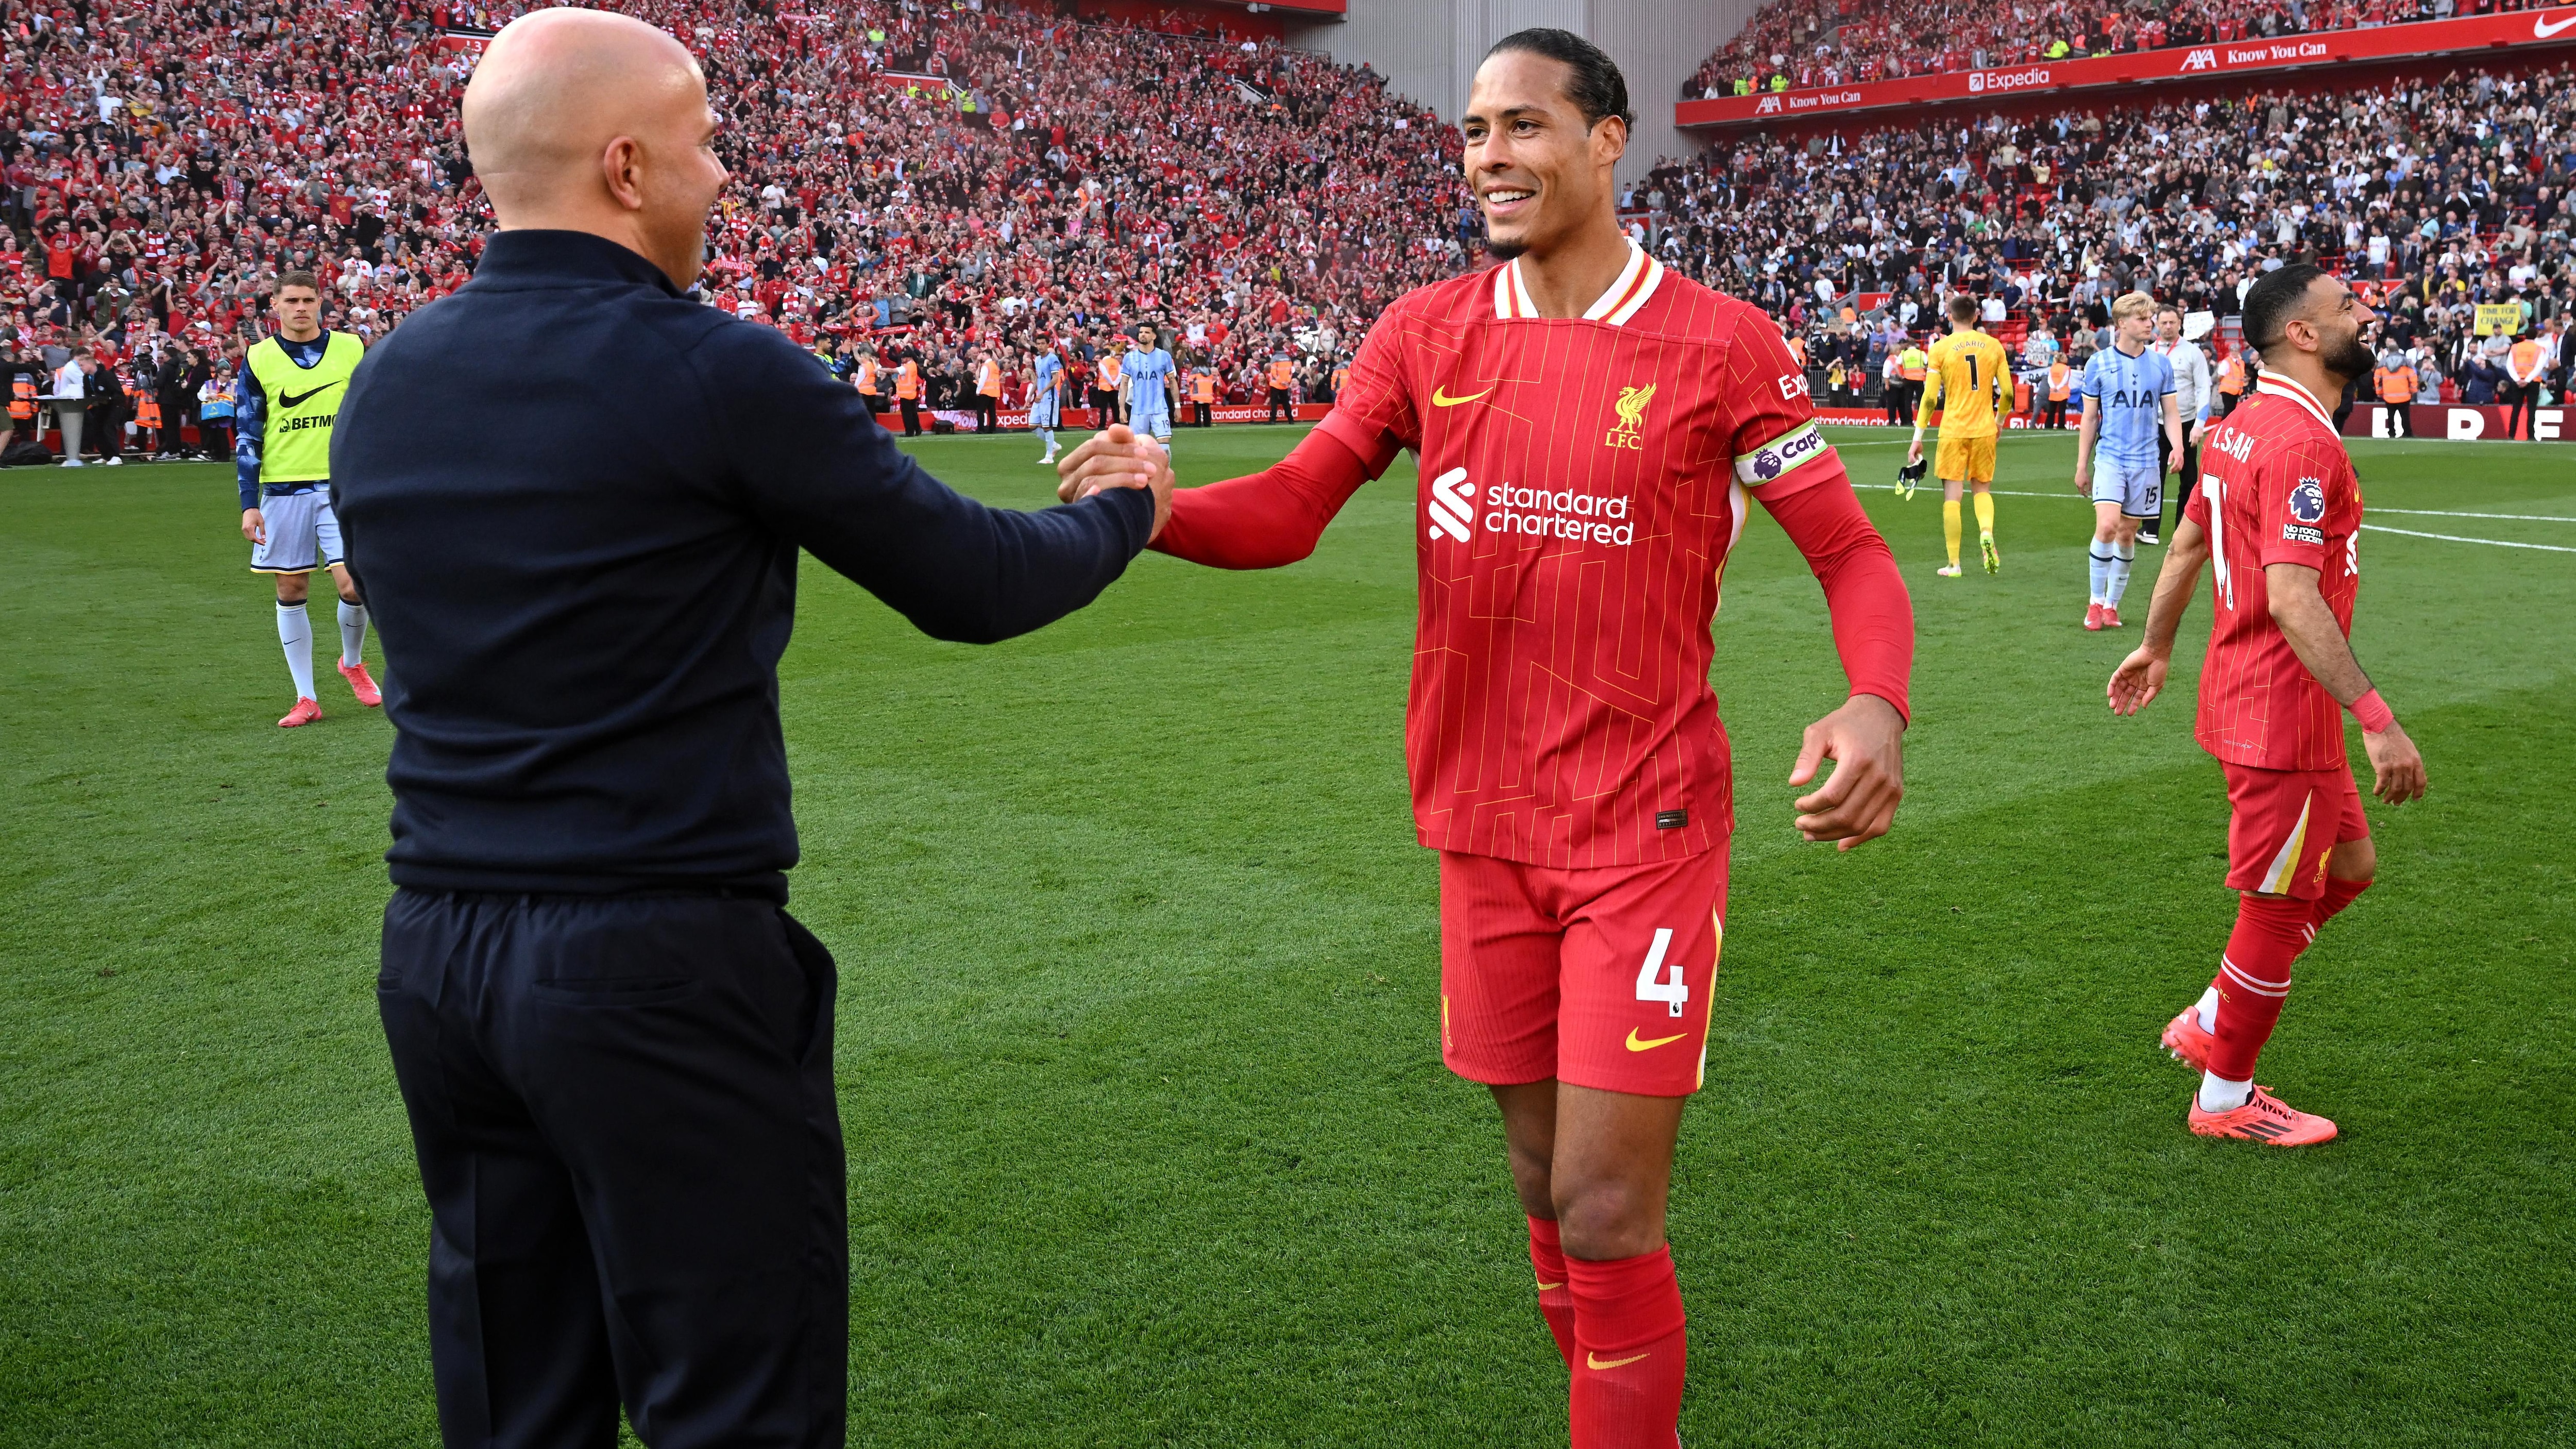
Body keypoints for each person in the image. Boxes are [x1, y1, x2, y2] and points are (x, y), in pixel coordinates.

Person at [1058, 31, 1911, 1443]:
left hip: (1645, 822)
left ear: (1606, 140)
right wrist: (1154, 514)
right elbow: (1293, 506)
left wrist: (1875, 697)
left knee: (1607, 1200)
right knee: (1541, 1184)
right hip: (1481, 818)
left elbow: (1854, 554)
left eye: (1522, 125)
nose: (1489, 157)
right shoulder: (1426, 331)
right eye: (1472, 130)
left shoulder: (1720, 342)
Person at [334, 12, 1167, 1446]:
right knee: (737, 1402)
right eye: (709, 143)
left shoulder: (389, 378)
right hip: (650, 954)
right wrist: (1123, 510)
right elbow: (972, 582)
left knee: (512, 1400)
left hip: (439, 957)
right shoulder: (715, 367)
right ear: (626, 167)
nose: (726, 177)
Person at [2108, 263, 2428, 1147]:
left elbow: (2185, 545)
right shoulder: (2300, 445)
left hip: (2263, 700)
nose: (2365, 315)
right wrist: (2378, 719)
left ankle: (2217, 1008)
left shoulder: (2238, 425)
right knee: (2279, 903)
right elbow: (2292, 597)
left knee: (2351, 867)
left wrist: (2157, 644)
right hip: (2280, 711)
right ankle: (2225, 1097)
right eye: (2347, 308)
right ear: (2304, 335)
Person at [237, 271, 378, 726]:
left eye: (308, 300)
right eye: (291, 301)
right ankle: (307, 698)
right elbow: (247, 432)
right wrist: (249, 502)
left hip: (341, 486)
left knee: (354, 585)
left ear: (321, 302)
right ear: (275, 306)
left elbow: (373, 414)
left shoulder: (352, 348)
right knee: (291, 589)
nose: (300, 308)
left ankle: (352, 662)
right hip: (283, 490)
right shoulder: (259, 357)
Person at [2072, 292, 2180, 631]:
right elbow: (2090, 418)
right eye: (2142, 319)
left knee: (2128, 533)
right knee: (2107, 526)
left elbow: (2170, 412)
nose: (2150, 324)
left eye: (2151, 318)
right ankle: (2094, 602)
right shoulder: (2098, 363)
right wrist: (2081, 465)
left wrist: (2177, 447)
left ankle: (2112, 605)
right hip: (2111, 458)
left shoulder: (2161, 364)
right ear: (2121, 323)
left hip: (2147, 461)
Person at [1904, 294, 2009, 577]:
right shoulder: (1994, 346)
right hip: (1984, 429)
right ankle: (1986, 532)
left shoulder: (1940, 348)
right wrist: (1999, 421)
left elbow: (1929, 398)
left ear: (1950, 316)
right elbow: (2009, 393)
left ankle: (1954, 564)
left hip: (1953, 430)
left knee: (1952, 497)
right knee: (1982, 490)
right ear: (1976, 316)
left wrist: (1918, 436)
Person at [2148, 307, 2211, 547]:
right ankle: (2149, 528)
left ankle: (2182, 530)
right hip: (2155, 424)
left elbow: (2203, 388)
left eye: (2172, 322)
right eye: (2164, 323)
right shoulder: (2149, 352)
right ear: (2157, 324)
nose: (2168, 327)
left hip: (2186, 423)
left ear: (2180, 324)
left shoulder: (2193, 353)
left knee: (2189, 479)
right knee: (2154, 477)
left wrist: (2200, 424)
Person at [1121, 323, 1176, 452]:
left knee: (1164, 447)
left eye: (1147, 332)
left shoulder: (1164, 356)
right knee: (1137, 448)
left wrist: (1177, 406)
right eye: (1141, 332)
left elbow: (1172, 381)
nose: (1143, 335)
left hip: (1159, 408)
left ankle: (1162, 466)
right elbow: (1124, 384)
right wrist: (1122, 408)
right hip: (1138, 410)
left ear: (1154, 336)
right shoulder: (1130, 358)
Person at [2504, 328, 2547, 441]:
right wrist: (2527, 380)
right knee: (2532, 409)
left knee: (2516, 408)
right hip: (2533, 381)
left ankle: (2511, 434)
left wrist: (2518, 380)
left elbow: (2509, 365)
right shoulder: (2539, 349)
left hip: (2518, 381)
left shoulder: (2515, 347)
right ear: (2536, 335)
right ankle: (2531, 436)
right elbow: (2539, 367)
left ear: (2525, 335)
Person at [1029, 340, 1065, 463]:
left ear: (1047, 344)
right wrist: (1031, 394)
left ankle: (1049, 456)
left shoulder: (1053, 358)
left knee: (1047, 427)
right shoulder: (1037, 360)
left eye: (1043, 343)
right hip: (1039, 397)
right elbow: (1038, 378)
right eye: (1038, 344)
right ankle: (1054, 445)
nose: (1040, 346)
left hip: (1049, 398)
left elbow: (1055, 379)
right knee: (1032, 426)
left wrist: (1042, 392)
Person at [49, 345, 86, 466]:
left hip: (69, 400)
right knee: (70, 427)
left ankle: (71, 452)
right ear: (81, 356)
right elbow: (82, 382)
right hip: (71, 402)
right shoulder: (72, 369)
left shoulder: (69, 368)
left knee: (70, 426)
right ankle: (70, 453)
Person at [2372, 349, 2418, 437]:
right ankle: (2407, 433)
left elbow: (2377, 378)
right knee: (2405, 416)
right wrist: (2413, 390)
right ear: (2398, 350)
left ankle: (2392, 433)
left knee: (2390, 416)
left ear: (2389, 351)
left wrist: (2379, 392)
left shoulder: (2383, 362)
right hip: (2404, 395)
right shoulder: (2406, 362)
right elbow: (2413, 377)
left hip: (2388, 395)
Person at [894, 350, 923, 436]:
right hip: (912, 393)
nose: (902, 359)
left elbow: (892, 370)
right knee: (913, 412)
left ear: (909, 358)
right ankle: (918, 429)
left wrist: (880, 369)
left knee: (907, 414)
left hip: (905, 394)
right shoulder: (914, 365)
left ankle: (910, 432)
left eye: (904, 358)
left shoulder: (906, 368)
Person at [973, 348, 1002, 432]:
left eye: (984, 354)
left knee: (981, 410)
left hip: (986, 391)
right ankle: (992, 429)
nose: (982, 356)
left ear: (988, 355)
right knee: (992, 411)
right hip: (994, 391)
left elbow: (983, 379)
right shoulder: (994, 365)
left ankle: (981, 429)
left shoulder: (986, 366)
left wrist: (978, 391)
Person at [1264, 349, 1295, 422]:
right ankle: (1291, 419)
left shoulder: (1275, 359)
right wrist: (1287, 381)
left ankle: (1273, 420)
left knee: (1274, 402)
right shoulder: (1288, 358)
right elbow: (1290, 372)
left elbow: (1274, 373)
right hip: (1285, 384)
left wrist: (1281, 382)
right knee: (1286, 402)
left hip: (1276, 384)